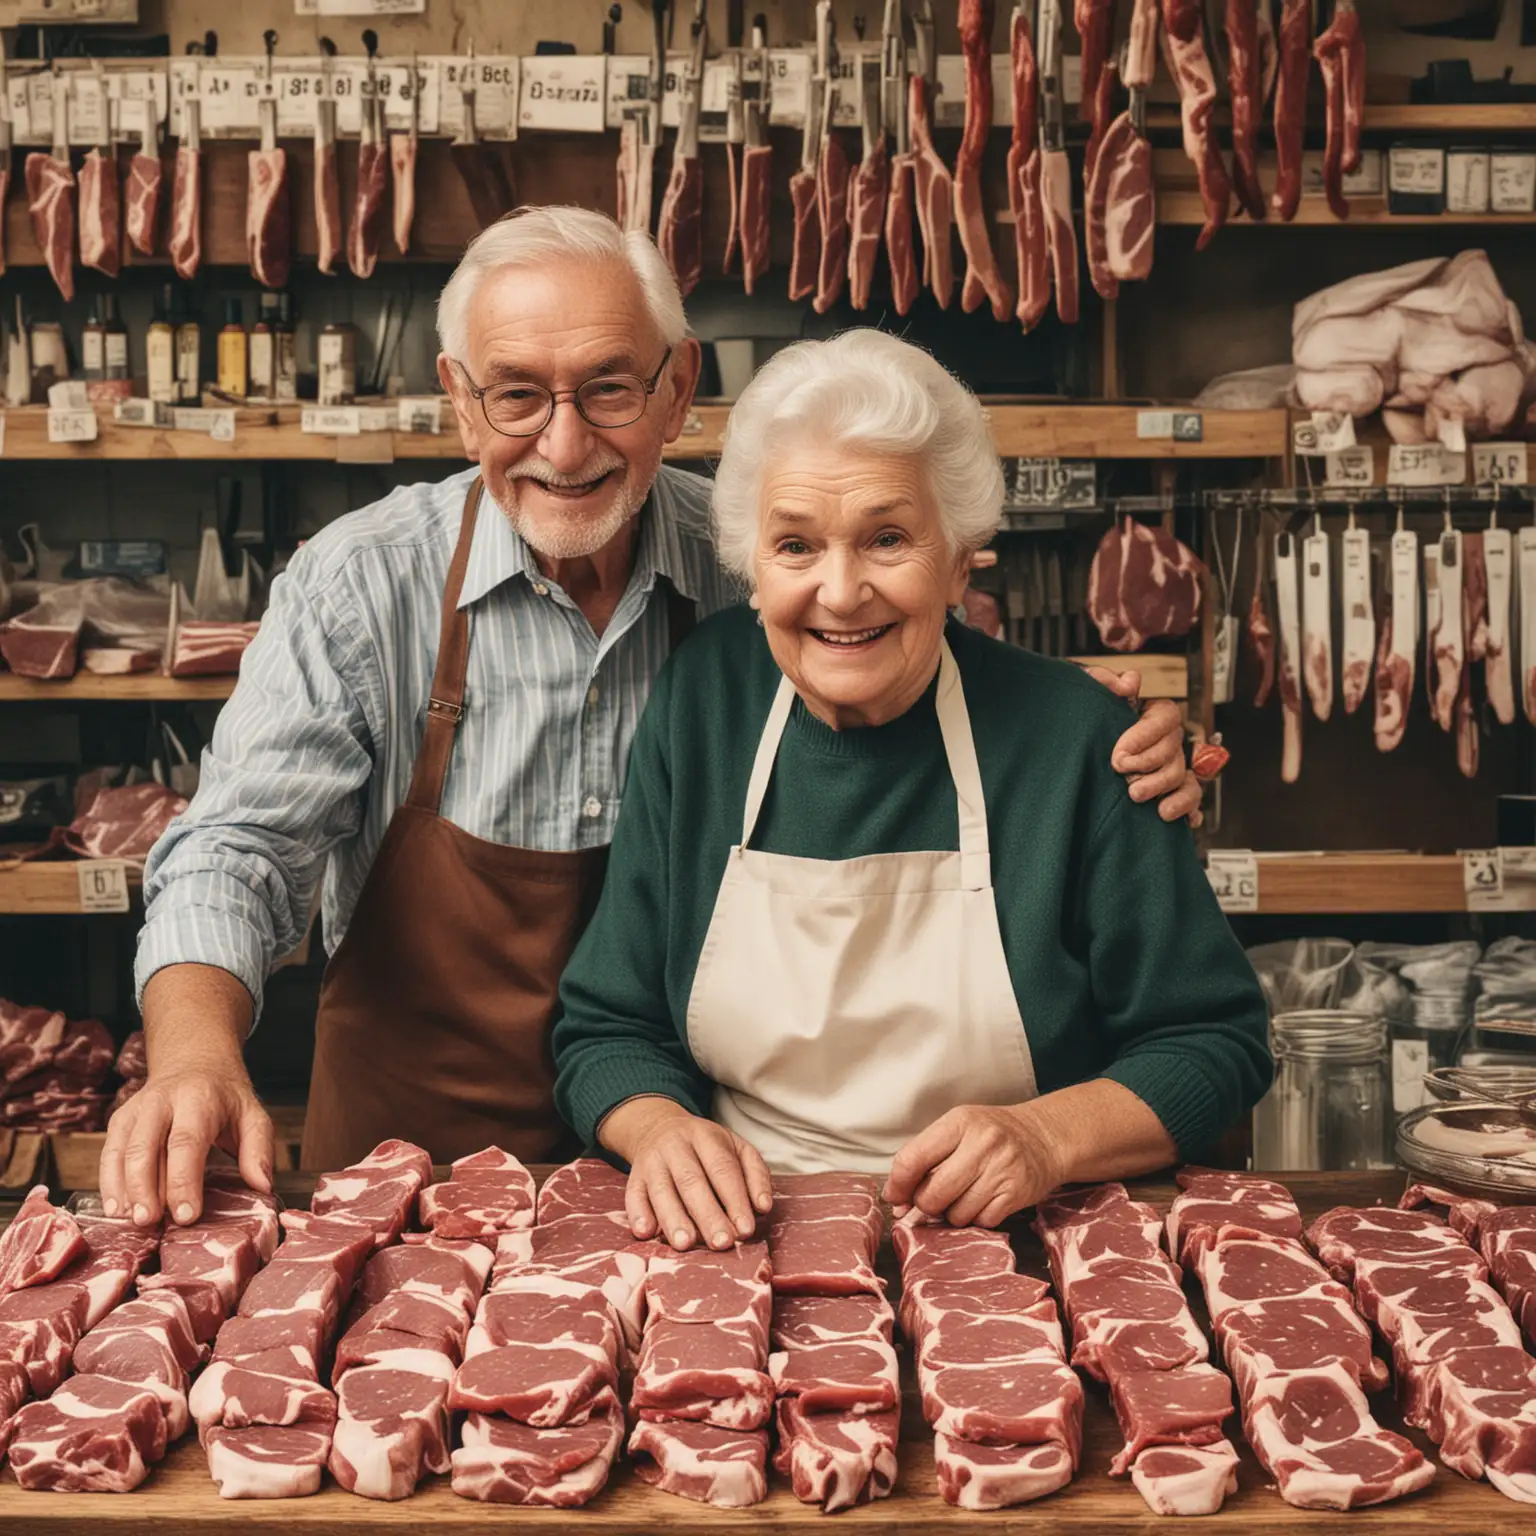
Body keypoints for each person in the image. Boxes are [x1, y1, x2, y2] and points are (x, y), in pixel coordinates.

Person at [102, 208, 1203, 1229]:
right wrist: (192, 1055)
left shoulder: (750, 560)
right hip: (412, 1178)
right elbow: (237, 850)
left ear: (678, 392)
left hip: (693, 1197)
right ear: (458, 397)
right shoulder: (362, 586)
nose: (566, 445)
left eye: (610, 390)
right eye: (518, 395)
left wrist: (1100, 737)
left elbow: (917, 635)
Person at [553, 330, 1271, 1251]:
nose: (841, 592)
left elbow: (1213, 1042)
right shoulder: (706, 703)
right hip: (738, 1250)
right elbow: (604, 1025)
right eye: (796, 545)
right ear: (753, 563)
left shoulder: (1078, 738)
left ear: (961, 550)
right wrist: (656, 1127)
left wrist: (1045, 1137)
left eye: (888, 538)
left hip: (1015, 1261)